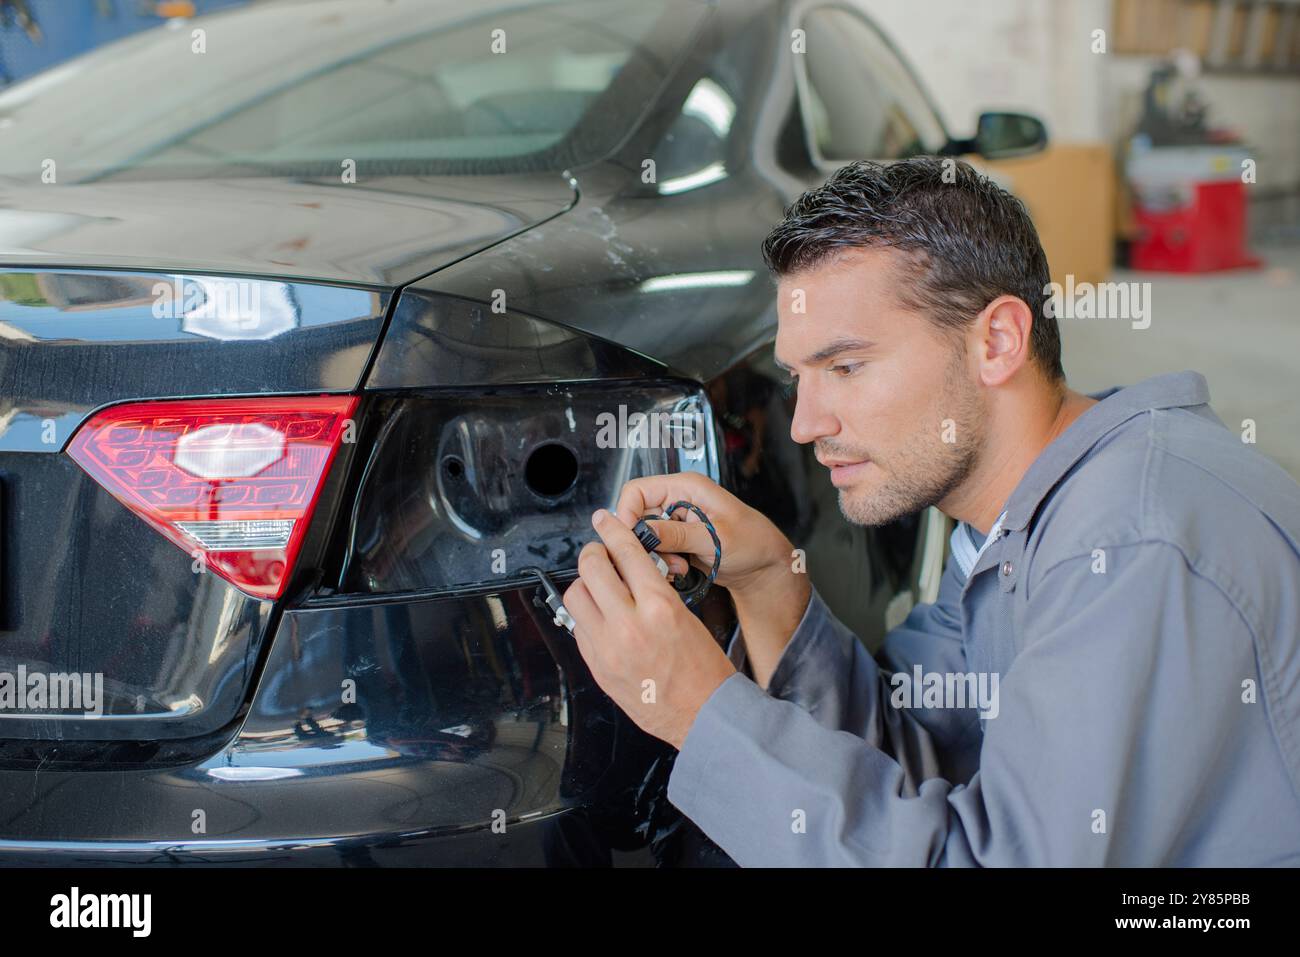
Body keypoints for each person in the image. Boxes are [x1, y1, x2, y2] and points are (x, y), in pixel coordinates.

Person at [561, 157, 1300, 866]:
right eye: (799, 376)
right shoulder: (1006, 522)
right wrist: (773, 587)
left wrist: (701, 711)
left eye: (845, 367)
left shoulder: (1132, 546)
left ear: (997, 341)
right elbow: (920, 757)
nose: (804, 423)